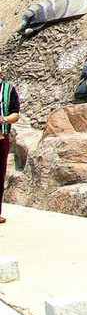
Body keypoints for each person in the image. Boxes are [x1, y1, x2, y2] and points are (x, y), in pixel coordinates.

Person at [0, 73, 18, 222]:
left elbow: (15, 115)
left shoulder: (9, 90)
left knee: (0, 175)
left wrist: (3, 120)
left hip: (1, 138)